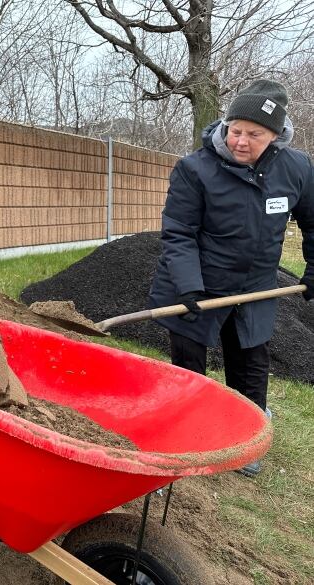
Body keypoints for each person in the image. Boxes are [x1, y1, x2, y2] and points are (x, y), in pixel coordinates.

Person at [149, 79, 314, 477]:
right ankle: (188, 435)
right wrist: (188, 284)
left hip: (256, 286)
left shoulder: (297, 168)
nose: (241, 141)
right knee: (189, 365)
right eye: (235, 129)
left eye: (254, 134)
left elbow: (313, 223)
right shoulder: (195, 169)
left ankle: (244, 438)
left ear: (275, 135)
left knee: (251, 363)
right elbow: (179, 232)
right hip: (194, 285)